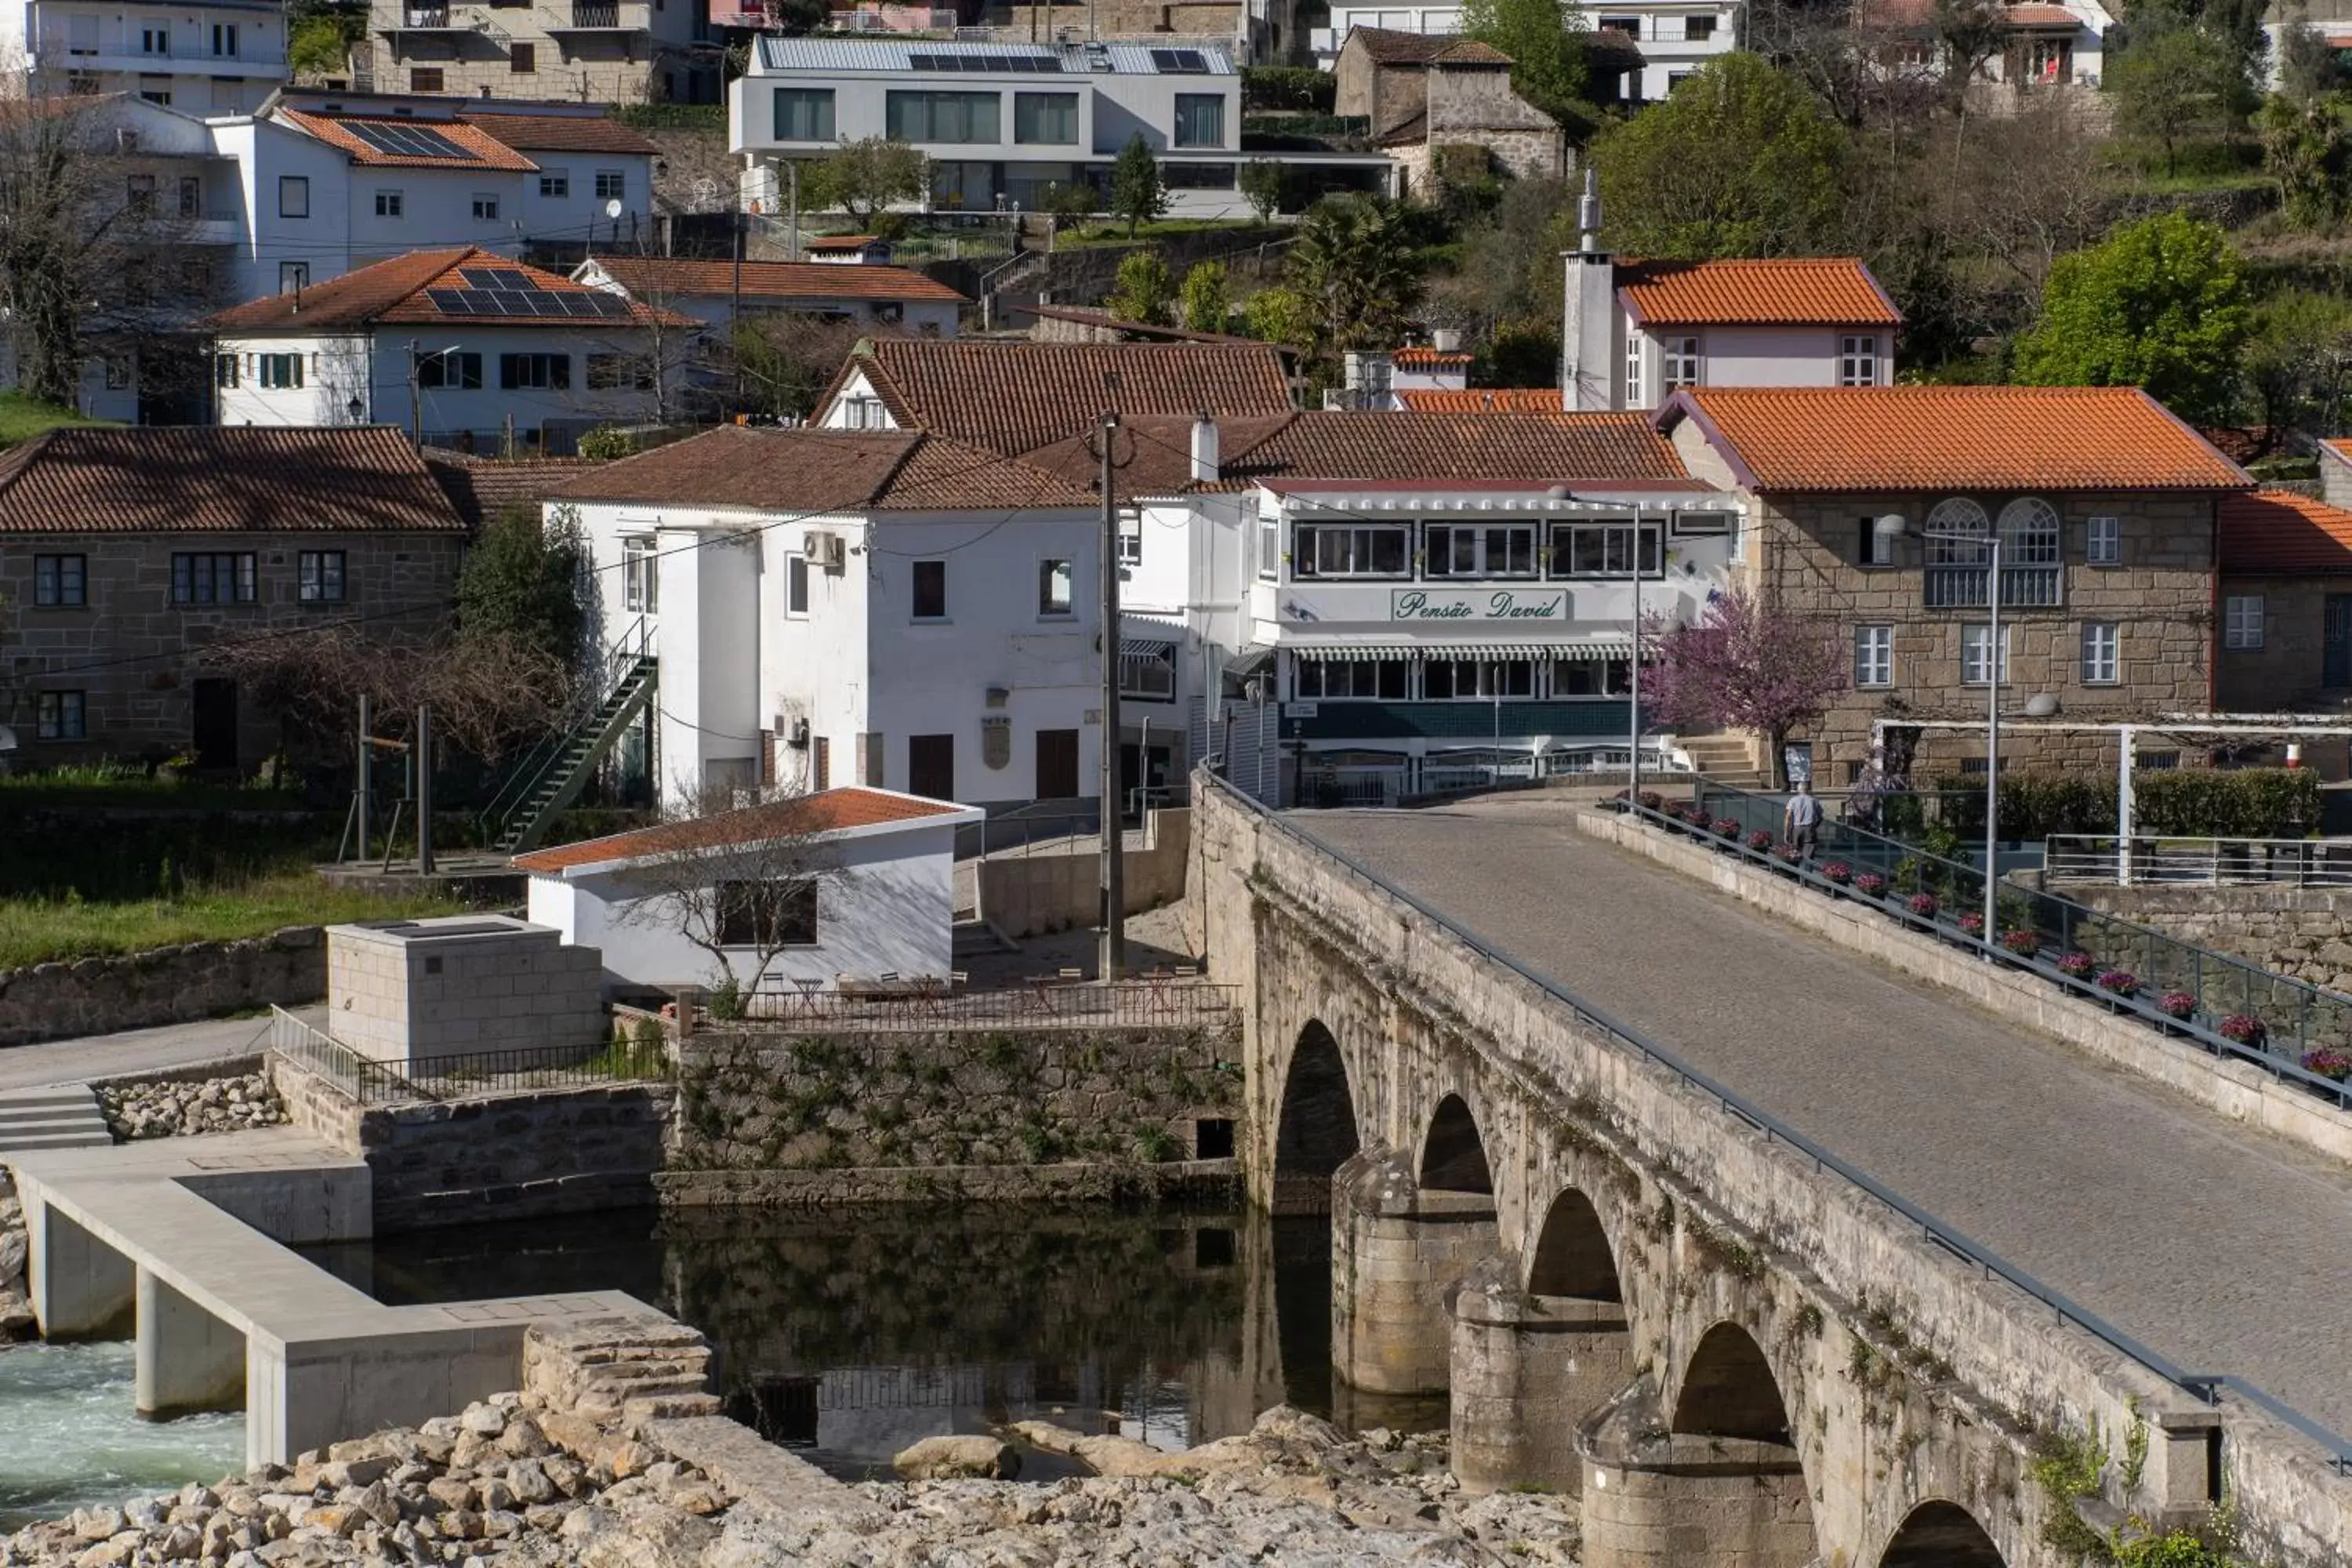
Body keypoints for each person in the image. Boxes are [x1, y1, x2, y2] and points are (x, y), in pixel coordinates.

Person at [1784, 779, 1822, 858]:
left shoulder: (1793, 800)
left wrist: (1787, 832)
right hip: (1809, 827)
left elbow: (1788, 817)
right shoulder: (1813, 801)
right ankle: (1807, 868)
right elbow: (1820, 816)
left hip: (1797, 828)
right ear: (1808, 790)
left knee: (1795, 852)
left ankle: (1795, 868)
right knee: (1809, 852)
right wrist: (1815, 825)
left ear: (1798, 790)